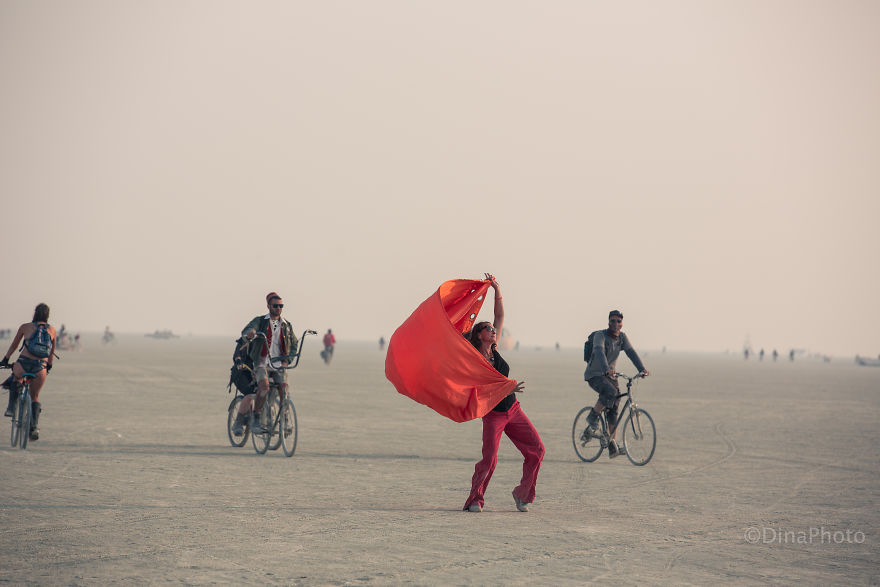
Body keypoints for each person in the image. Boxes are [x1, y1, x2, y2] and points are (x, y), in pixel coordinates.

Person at [464, 274, 544, 513]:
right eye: (488, 329)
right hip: (493, 414)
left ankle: (522, 494)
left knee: (537, 449)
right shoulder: (474, 358)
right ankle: (474, 500)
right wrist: (508, 385)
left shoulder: (495, 349)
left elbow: (500, 316)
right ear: (479, 335)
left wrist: (496, 289)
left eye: (493, 329)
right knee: (489, 460)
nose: (494, 330)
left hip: (513, 409)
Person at [582, 310, 650, 459]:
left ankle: (612, 444)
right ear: (608, 322)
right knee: (610, 393)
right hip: (595, 375)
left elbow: (631, 353)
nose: (615, 324)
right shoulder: (601, 335)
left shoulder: (622, 338)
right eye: (613, 321)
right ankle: (592, 417)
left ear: (622, 323)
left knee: (615, 406)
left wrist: (642, 369)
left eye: (618, 321)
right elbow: (599, 352)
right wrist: (606, 369)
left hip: (610, 376)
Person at [230, 292, 298, 435]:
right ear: (268, 306)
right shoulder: (260, 321)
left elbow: (294, 344)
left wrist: (287, 360)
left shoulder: (286, 325)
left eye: (281, 306)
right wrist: (251, 333)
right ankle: (256, 417)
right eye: (275, 305)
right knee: (264, 387)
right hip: (262, 362)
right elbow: (247, 330)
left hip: (279, 364)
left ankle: (284, 419)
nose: (278, 308)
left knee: (284, 391)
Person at [1, 303, 57, 440]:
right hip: (40, 367)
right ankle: (34, 427)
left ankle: (11, 408)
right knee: (35, 396)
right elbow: (51, 353)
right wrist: (47, 366)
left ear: (35, 313)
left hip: (24, 363)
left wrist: (5, 359)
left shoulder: (25, 327)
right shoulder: (52, 330)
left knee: (16, 378)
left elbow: (14, 345)